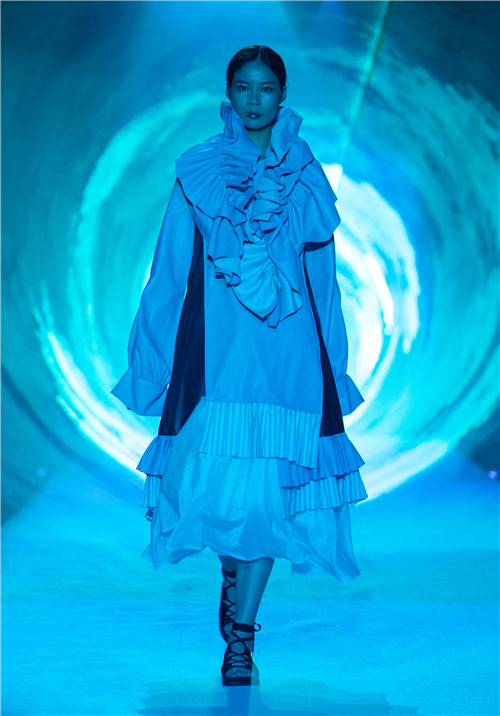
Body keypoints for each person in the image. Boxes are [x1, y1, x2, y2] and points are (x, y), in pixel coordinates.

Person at [112, 45, 368, 687]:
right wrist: (152, 357)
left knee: (266, 500)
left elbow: (324, 281)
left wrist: (334, 367)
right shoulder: (197, 170)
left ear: (282, 94)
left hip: (288, 360)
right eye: (244, 87)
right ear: (228, 93)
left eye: (267, 87)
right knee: (221, 491)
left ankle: (242, 638)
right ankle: (233, 579)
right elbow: (168, 270)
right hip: (217, 357)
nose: (255, 99)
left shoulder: (305, 174)